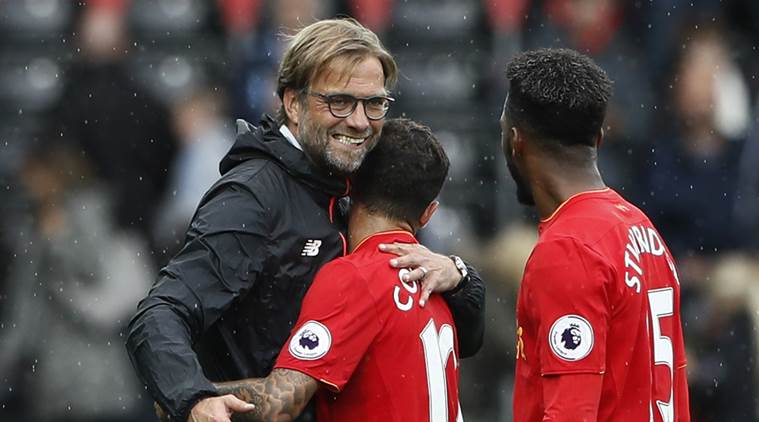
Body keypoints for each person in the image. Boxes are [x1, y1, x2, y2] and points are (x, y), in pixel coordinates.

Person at [126, 18, 485, 422]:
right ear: (293, 104)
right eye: (340, 102)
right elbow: (160, 312)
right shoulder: (252, 198)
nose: (360, 121)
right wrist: (191, 397)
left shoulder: (359, 185)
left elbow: (464, 336)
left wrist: (460, 276)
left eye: (374, 103)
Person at [156, 118, 462, 422]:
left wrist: (191, 396)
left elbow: (278, 404)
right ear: (428, 214)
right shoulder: (443, 287)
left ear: (350, 184)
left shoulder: (356, 276)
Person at [500, 48, 690, 421]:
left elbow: (571, 415)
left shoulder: (568, 249)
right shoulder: (641, 228)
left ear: (516, 141)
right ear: (599, 139)